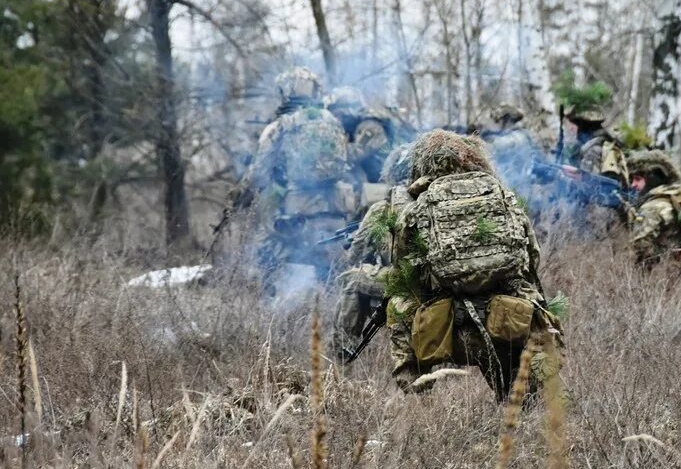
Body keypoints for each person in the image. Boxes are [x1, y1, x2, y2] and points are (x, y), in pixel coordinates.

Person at [386, 130, 561, 400]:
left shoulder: (417, 207)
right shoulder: (503, 196)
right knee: (533, 300)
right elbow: (532, 259)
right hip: (509, 321)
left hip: (444, 331)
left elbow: (402, 273)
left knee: (396, 303)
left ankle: (413, 386)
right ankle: (534, 388)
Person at [230, 67, 355, 290]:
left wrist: (239, 197)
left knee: (266, 248)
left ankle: (271, 307)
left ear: (286, 91)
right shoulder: (333, 121)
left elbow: (258, 173)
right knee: (335, 276)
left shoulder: (281, 126)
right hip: (337, 208)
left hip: (299, 211)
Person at [331, 144, 413, 356]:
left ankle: (342, 353)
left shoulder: (384, 207)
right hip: (443, 281)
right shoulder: (438, 200)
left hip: (408, 281)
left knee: (352, 279)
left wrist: (351, 246)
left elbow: (354, 256)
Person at [326, 86, 394, 185]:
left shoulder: (370, 126)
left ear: (348, 110)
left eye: (337, 114)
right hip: (370, 184)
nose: (336, 119)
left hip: (380, 185)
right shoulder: (353, 128)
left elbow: (353, 155)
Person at [565, 104, 629, 185]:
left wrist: (564, 177)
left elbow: (587, 188)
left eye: (576, 124)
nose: (572, 129)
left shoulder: (594, 150)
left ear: (584, 125)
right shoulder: (603, 145)